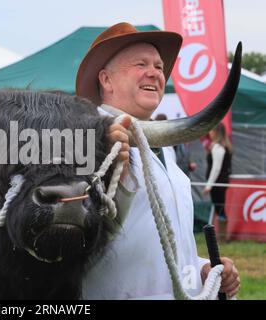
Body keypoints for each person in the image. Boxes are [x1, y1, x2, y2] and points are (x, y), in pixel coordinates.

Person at [75, 22, 240, 299]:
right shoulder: (80, 141)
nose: (154, 73)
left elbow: (159, 241)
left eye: (160, 67)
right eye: (141, 64)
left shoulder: (166, 149)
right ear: (106, 80)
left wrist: (200, 269)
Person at [203, 123, 232, 242]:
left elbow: (216, 168)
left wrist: (209, 185)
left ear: (216, 132)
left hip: (217, 184)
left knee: (219, 208)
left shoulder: (218, 148)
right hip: (220, 182)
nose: (210, 132)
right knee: (219, 207)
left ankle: (222, 237)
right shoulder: (222, 146)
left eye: (212, 130)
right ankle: (222, 237)